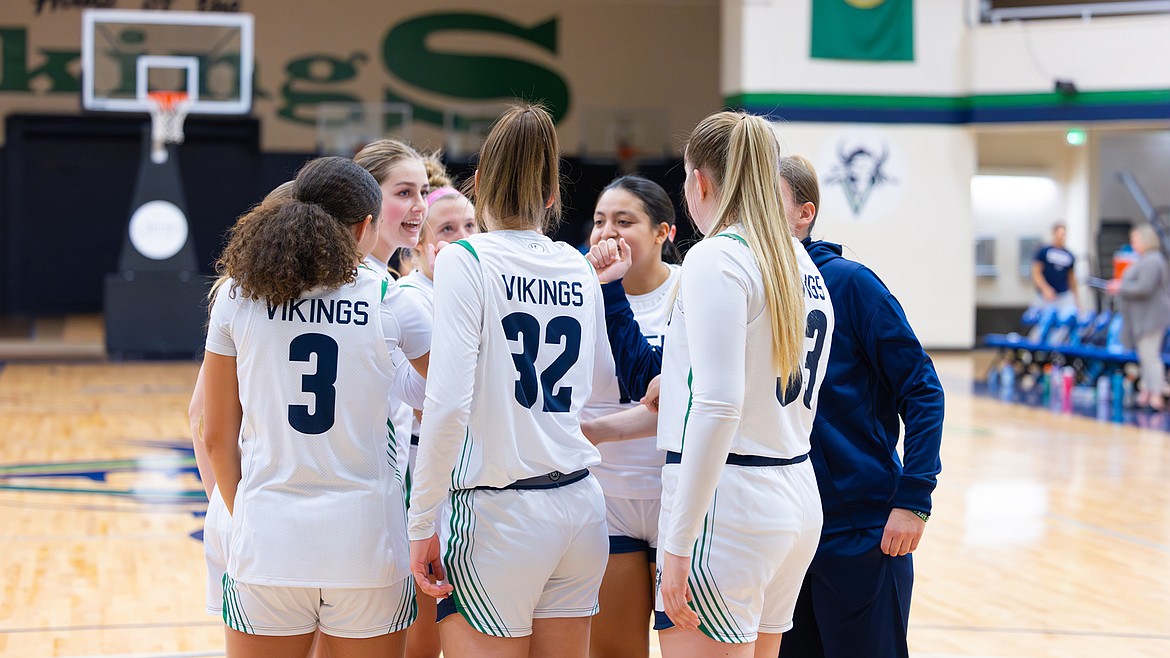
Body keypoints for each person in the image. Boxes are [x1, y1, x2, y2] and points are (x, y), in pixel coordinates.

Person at [590, 111, 834, 657]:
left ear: (699, 181)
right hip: (794, 494)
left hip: (731, 505)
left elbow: (719, 406)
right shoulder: (801, 260)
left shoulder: (718, 256)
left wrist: (677, 543)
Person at [202, 156, 430, 658]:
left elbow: (215, 433)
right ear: (366, 227)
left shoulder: (237, 295)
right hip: (367, 544)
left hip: (268, 540)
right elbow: (453, 401)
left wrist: (251, 514)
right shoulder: (392, 297)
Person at [407, 103, 613, 658]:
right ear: (551, 195)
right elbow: (594, 389)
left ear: (479, 186)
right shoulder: (578, 265)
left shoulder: (465, 259)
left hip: (500, 514)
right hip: (580, 508)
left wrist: (420, 519)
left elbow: (446, 405)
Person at [775, 155, 945, 658]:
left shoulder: (852, 283)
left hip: (860, 528)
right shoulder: (744, 286)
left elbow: (922, 389)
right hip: (781, 529)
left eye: (768, 199)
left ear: (805, 214)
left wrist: (914, 498)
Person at [580, 176, 679, 658]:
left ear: (664, 232)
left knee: (685, 643)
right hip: (608, 494)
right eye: (599, 221)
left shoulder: (690, 291)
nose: (606, 232)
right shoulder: (576, 294)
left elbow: (668, 397)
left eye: (624, 221)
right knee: (614, 649)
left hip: (678, 492)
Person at [395, 152, 479, 658]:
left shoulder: (483, 290)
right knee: (424, 633)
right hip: (424, 475)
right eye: (448, 229)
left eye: (471, 225)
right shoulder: (410, 298)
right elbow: (428, 399)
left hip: (475, 479)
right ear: (422, 246)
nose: (463, 236)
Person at [1107, 222, 1170, 411]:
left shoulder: (1153, 260)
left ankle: (1156, 397)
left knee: (1151, 356)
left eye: (1135, 239)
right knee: (1144, 356)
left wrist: (1121, 287)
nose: (1133, 243)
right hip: (1140, 318)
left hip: (1152, 318)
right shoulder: (1142, 259)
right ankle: (1145, 394)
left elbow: (1144, 288)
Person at [1032, 222, 1080, 314]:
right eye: (1060, 233)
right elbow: (1036, 272)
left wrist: (1077, 301)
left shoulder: (1069, 255)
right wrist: (1045, 288)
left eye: (1064, 234)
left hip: (1063, 295)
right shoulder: (1044, 251)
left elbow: (1072, 278)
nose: (1062, 237)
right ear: (1054, 233)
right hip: (1044, 296)